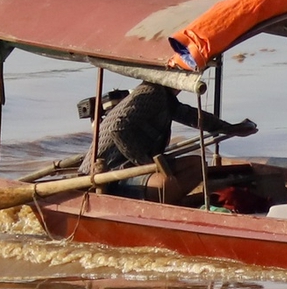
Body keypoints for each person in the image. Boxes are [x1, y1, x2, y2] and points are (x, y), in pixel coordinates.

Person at [84, 81, 256, 204]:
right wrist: (145, 163)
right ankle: (175, 201)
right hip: (112, 172)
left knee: (197, 165)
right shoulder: (152, 93)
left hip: (135, 168)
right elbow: (117, 128)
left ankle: (173, 200)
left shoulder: (166, 98)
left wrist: (230, 128)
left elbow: (190, 116)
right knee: (166, 184)